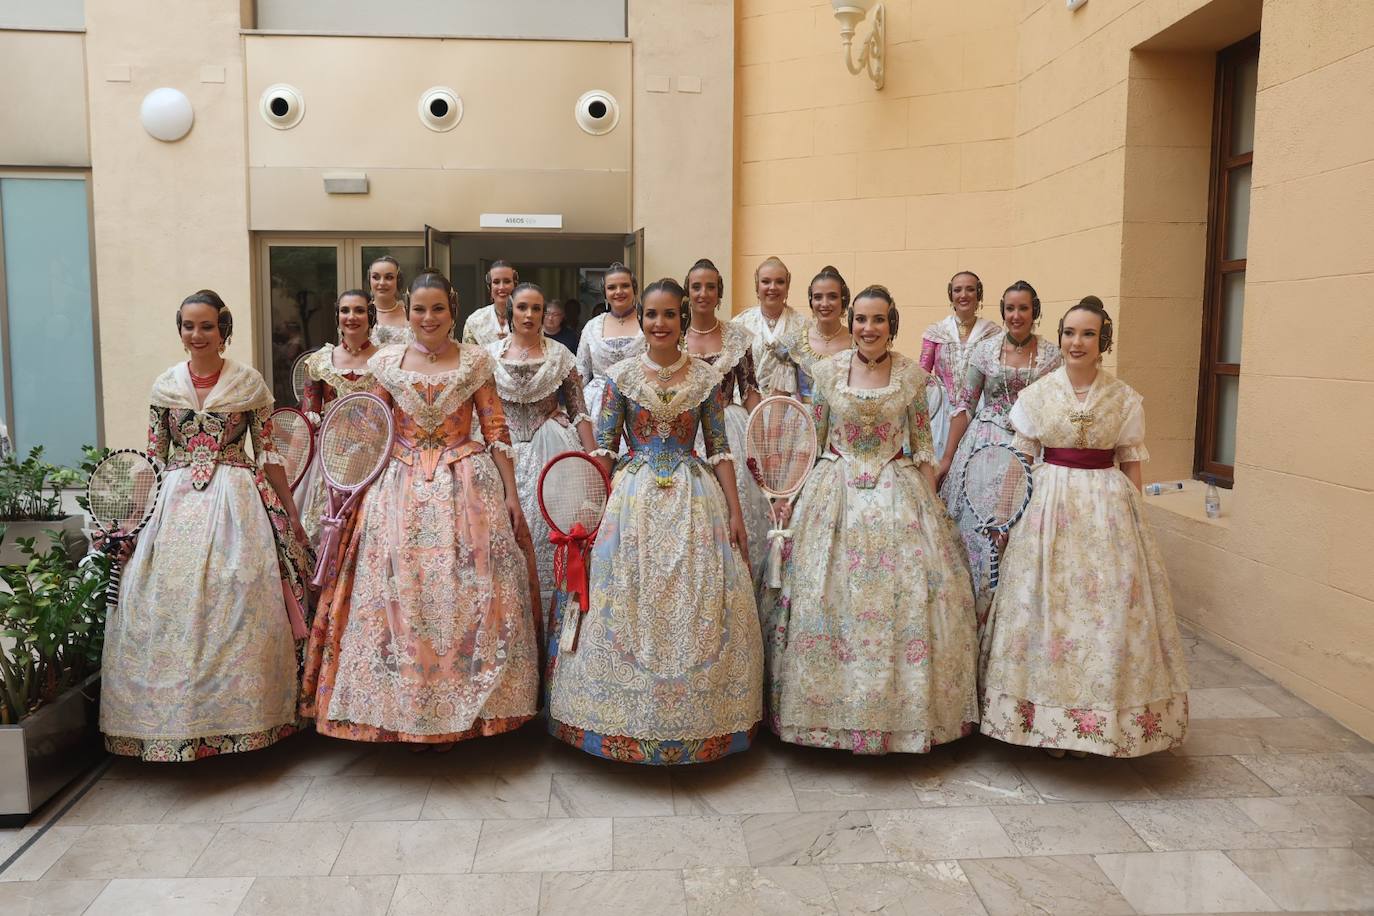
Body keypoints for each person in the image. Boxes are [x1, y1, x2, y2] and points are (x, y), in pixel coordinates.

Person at [301, 270, 539, 750]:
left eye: (437, 309)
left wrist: (512, 496)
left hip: (467, 486)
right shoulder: (387, 362)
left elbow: (496, 430)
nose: (427, 318)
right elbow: (372, 429)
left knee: (471, 592)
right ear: (406, 311)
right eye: (418, 309)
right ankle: (398, 707)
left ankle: (477, 709)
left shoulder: (475, 362)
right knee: (398, 590)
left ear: (452, 310)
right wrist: (348, 491)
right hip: (398, 487)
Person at [548, 278, 762, 764]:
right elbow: (603, 449)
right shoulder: (621, 377)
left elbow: (721, 450)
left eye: (669, 314)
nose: (659, 323)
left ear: (682, 318)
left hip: (695, 495)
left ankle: (704, 723)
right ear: (641, 319)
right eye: (651, 315)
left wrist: (734, 513)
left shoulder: (705, 379)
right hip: (633, 499)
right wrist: (588, 512)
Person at [100, 291, 313, 761]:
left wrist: (290, 512)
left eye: (207, 326)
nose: (197, 335)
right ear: (179, 330)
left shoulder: (249, 384)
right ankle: (168, 724)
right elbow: (153, 458)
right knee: (162, 598)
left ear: (224, 330)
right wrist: (131, 523)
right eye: (188, 326)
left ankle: (246, 720)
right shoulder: (164, 387)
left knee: (238, 592)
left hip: (238, 499)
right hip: (173, 502)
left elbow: (269, 453)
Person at [765, 286, 978, 755]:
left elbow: (922, 445)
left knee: (910, 596)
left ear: (891, 323)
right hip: (834, 491)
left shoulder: (910, 377)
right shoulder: (826, 373)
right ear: (851, 320)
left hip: (897, 493)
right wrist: (791, 499)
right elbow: (813, 440)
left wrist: (931, 508)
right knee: (827, 596)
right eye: (860, 319)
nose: (867, 328)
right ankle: (826, 718)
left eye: (877, 320)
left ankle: (904, 717)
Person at [980, 296, 1189, 758]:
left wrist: (1138, 519)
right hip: (1048, 507)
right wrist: (1004, 514)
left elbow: (1131, 462)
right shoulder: (1036, 396)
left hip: (1107, 512)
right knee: (1050, 609)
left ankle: (1098, 720)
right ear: (1060, 338)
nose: (1077, 342)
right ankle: (1049, 721)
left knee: (1105, 612)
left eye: (1088, 334)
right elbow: (1021, 459)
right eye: (1070, 333)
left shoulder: (1124, 398)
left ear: (1103, 342)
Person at [938, 280, 1062, 609]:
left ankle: (1015, 610)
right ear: (1002, 311)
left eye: (1023, 308)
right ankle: (974, 606)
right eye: (1010, 308)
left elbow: (1055, 409)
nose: (1016, 315)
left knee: (1022, 529)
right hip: (983, 445)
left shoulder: (1052, 356)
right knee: (976, 530)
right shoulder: (985, 351)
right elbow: (964, 405)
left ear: (1035, 310)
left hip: (1031, 449)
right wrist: (948, 458)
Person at [486, 282, 596, 616]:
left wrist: (593, 464)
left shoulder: (560, 355)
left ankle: (555, 621)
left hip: (553, 448)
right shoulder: (489, 356)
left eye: (537, 308)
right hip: (499, 447)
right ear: (510, 310)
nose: (530, 315)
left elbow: (579, 411)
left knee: (554, 532)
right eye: (523, 307)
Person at [683, 258, 772, 586]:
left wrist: (761, 439)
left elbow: (749, 390)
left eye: (710, 287)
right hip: (687, 432)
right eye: (696, 287)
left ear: (720, 293)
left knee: (735, 512)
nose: (703, 293)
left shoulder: (738, 338)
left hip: (729, 429)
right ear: (687, 293)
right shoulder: (673, 336)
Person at [298, 290, 378, 546]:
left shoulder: (387, 361)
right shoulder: (320, 361)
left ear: (370, 316)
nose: (351, 317)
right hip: (331, 457)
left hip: (375, 455)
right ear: (337, 316)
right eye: (345, 310)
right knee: (327, 528)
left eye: (359, 310)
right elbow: (308, 411)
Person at [921, 271, 1001, 460]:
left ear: (978, 294)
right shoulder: (936, 332)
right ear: (951, 295)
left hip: (979, 409)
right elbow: (923, 372)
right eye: (958, 290)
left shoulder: (993, 333)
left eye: (970, 289)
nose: (963, 295)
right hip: (941, 410)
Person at [575, 261, 645, 425]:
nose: (618, 292)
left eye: (625, 286)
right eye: (612, 287)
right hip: (598, 406)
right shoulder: (592, 327)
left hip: (640, 402)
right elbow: (581, 371)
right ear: (605, 293)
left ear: (634, 289)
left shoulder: (648, 322)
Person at [732, 256, 806, 398]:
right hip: (746, 407)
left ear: (787, 286)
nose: (772, 287)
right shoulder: (740, 324)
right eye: (766, 281)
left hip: (787, 410)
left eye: (779, 282)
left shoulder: (803, 326)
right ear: (757, 285)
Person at [786, 265, 854, 403]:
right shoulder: (794, 343)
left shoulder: (858, 342)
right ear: (811, 301)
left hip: (845, 422)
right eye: (818, 297)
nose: (824, 303)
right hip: (803, 421)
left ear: (843, 300)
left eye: (832, 297)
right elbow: (779, 401)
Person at [462, 260, 518, 346]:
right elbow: (467, 357)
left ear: (515, 285)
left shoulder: (527, 317)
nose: (502, 287)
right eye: (496, 282)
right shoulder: (475, 320)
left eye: (507, 281)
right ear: (489, 287)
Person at [368, 255, 410, 346]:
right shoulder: (360, 313)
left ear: (398, 281)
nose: (382, 283)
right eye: (376, 277)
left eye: (389, 277)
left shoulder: (410, 313)